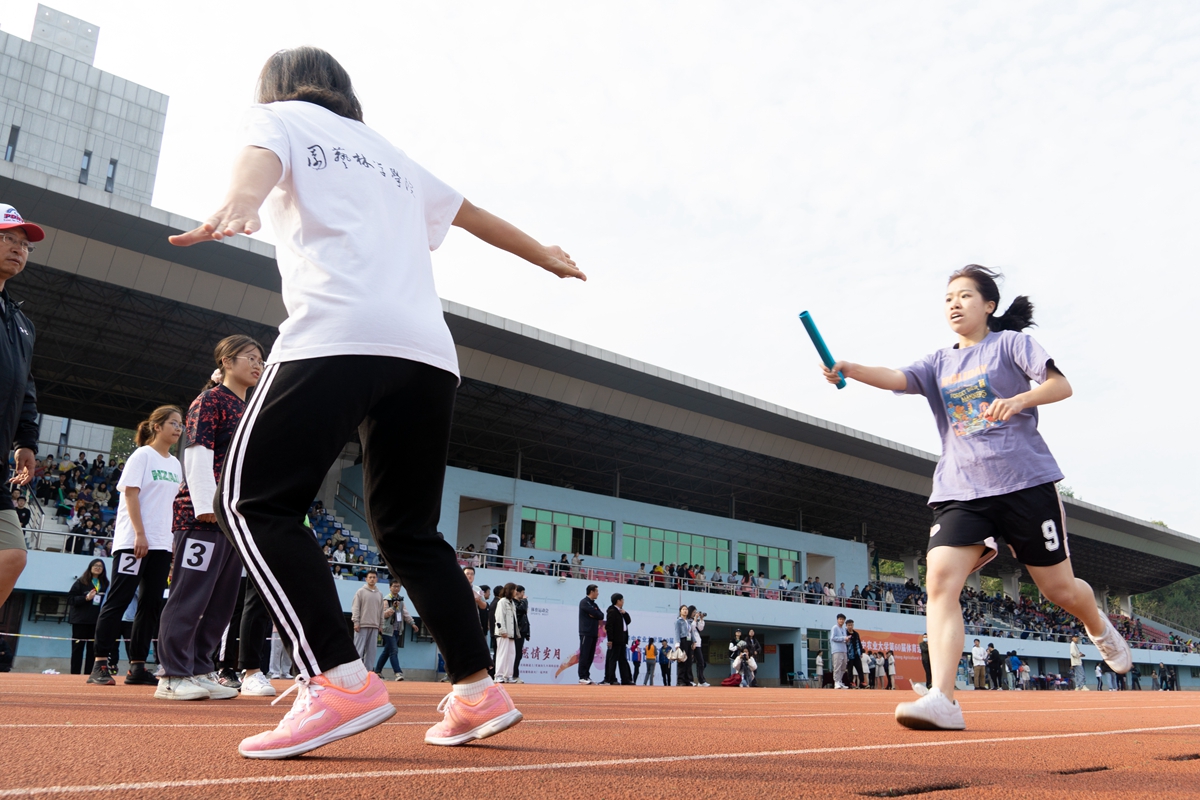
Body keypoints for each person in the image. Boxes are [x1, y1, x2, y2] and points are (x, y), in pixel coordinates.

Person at [170, 47, 578, 757]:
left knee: (250, 500)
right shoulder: (389, 155)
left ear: (274, 88)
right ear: (345, 90)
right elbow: (473, 215)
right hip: (427, 355)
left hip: (338, 331)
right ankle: (478, 691)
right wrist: (542, 253)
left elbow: (255, 161)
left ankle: (338, 678)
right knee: (411, 533)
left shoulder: (274, 118)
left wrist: (239, 199)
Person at [833, 266, 1133, 728]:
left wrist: (1018, 401)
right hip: (961, 489)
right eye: (948, 298)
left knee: (1059, 590)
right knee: (939, 582)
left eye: (965, 296)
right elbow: (896, 378)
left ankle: (1096, 624)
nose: (954, 304)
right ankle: (943, 699)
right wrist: (849, 368)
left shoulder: (1013, 345)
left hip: (1024, 483)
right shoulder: (937, 362)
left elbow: (1061, 385)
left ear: (989, 305)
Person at [155, 335, 263, 702]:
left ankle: (201, 669)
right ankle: (172, 675)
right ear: (227, 361)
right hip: (202, 517)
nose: (257, 364)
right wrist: (206, 504)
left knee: (220, 603)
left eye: (260, 360)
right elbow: (199, 452)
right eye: (250, 357)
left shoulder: (252, 408)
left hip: (234, 519)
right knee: (190, 596)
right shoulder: (210, 400)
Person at [87, 406, 184, 687]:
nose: (178, 429)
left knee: (151, 604)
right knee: (118, 599)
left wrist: (173, 540)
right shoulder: (142, 456)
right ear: (157, 426)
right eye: (173, 423)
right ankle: (100, 663)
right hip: (135, 541)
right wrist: (139, 534)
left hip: (162, 543)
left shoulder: (175, 464)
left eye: (180, 424)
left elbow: (173, 506)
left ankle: (138, 666)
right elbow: (130, 494)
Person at [0, 206, 43, 610]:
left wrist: (25, 440)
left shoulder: (21, 323)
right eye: (7, 239)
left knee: (12, 555)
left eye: (24, 244)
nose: (18, 249)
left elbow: (24, 386)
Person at [67, 559, 108, 675]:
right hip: (80, 621)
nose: (98, 568)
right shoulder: (81, 582)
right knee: (77, 649)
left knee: (92, 651)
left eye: (100, 566)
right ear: (90, 567)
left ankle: (89, 674)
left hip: (96, 622)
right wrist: (86, 598)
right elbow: (70, 599)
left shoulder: (105, 583)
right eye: (95, 565)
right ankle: (74, 674)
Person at [375, 579, 417, 681]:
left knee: (387, 651)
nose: (396, 588)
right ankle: (398, 672)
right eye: (394, 586)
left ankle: (377, 672)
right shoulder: (386, 600)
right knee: (394, 650)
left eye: (398, 586)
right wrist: (393, 608)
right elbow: (383, 615)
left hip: (398, 629)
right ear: (390, 587)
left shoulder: (401, 600)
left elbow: (405, 613)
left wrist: (412, 623)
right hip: (387, 630)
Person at [352, 570, 386, 671]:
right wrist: (356, 622)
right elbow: (355, 608)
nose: (372, 579)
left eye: (374, 577)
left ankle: (368, 672)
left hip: (375, 626)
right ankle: (356, 671)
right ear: (366, 579)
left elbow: (381, 611)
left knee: (371, 651)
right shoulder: (360, 592)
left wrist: (381, 625)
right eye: (370, 577)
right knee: (358, 650)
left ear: (377, 579)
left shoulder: (379, 594)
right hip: (362, 625)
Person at [603, 593, 633, 686]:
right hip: (615, 639)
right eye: (622, 600)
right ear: (618, 601)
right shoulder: (612, 611)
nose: (623, 601)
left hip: (622, 639)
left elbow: (628, 621)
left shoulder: (620, 611)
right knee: (612, 659)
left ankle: (626, 679)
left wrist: (625, 613)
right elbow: (609, 626)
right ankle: (611, 678)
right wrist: (610, 639)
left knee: (623, 660)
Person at [577, 584, 604, 685]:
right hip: (585, 632)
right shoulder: (584, 602)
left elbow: (601, 615)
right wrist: (594, 614)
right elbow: (595, 613)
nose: (598, 593)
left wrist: (594, 614)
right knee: (584, 654)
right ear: (591, 591)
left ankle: (587, 675)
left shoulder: (594, 604)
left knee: (590, 655)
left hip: (593, 633)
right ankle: (582, 676)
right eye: (596, 591)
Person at [493, 583, 518, 684]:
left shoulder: (511, 602)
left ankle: (508, 676)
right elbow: (499, 617)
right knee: (502, 654)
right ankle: (498, 675)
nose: (516, 592)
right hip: (503, 633)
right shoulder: (502, 602)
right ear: (510, 590)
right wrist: (502, 630)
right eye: (515, 590)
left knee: (511, 654)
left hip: (511, 633)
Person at [511, 585, 530, 684]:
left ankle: (515, 674)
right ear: (517, 592)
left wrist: (527, 633)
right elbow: (522, 610)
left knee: (518, 655)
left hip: (522, 631)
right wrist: (525, 601)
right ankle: (513, 674)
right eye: (523, 592)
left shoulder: (520, 603)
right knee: (515, 654)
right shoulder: (514, 602)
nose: (524, 595)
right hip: (516, 632)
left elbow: (525, 619)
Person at [689, 607, 709, 686]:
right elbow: (691, 628)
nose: (695, 614)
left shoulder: (695, 620)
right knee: (690, 662)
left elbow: (700, 628)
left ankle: (701, 680)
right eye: (694, 612)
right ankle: (690, 680)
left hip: (698, 644)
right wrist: (695, 619)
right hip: (691, 644)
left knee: (701, 662)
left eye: (696, 612)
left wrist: (701, 619)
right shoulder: (688, 621)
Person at [845, 620, 865, 689]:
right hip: (849, 655)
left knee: (860, 668)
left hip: (856, 654)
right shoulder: (845, 633)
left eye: (851, 625)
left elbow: (859, 643)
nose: (850, 626)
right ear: (846, 626)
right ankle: (851, 682)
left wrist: (861, 653)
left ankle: (862, 682)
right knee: (850, 670)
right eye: (849, 625)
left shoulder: (856, 634)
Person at [831, 614, 849, 689]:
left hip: (844, 650)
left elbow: (844, 639)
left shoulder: (844, 629)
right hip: (837, 650)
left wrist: (847, 640)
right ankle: (836, 682)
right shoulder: (835, 628)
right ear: (837, 620)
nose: (841, 620)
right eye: (840, 619)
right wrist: (843, 638)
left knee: (843, 667)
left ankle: (840, 681)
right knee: (837, 666)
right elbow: (833, 638)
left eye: (842, 619)